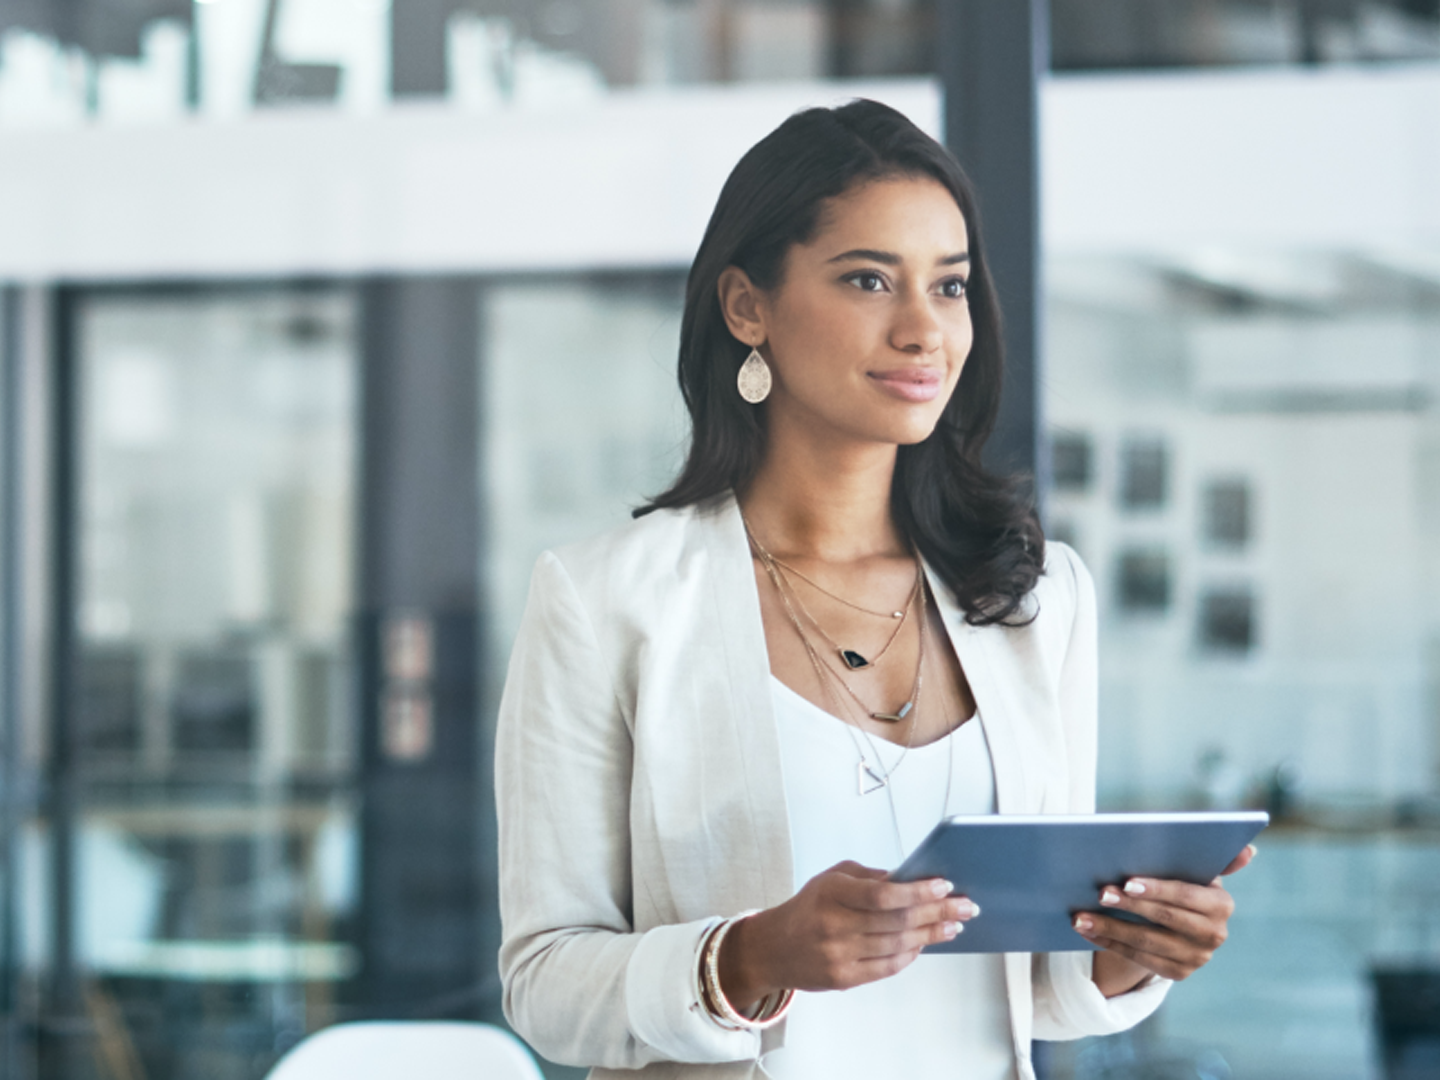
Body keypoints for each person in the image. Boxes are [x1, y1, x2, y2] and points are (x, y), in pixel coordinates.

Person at [495, 99, 1253, 1080]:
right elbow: (545, 983)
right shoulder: (605, 602)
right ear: (745, 306)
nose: (922, 330)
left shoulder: (1038, 598)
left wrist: (1130, 952)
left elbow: (1037, 991)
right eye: (867, 280)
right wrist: (750, 956)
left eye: (949, 287)